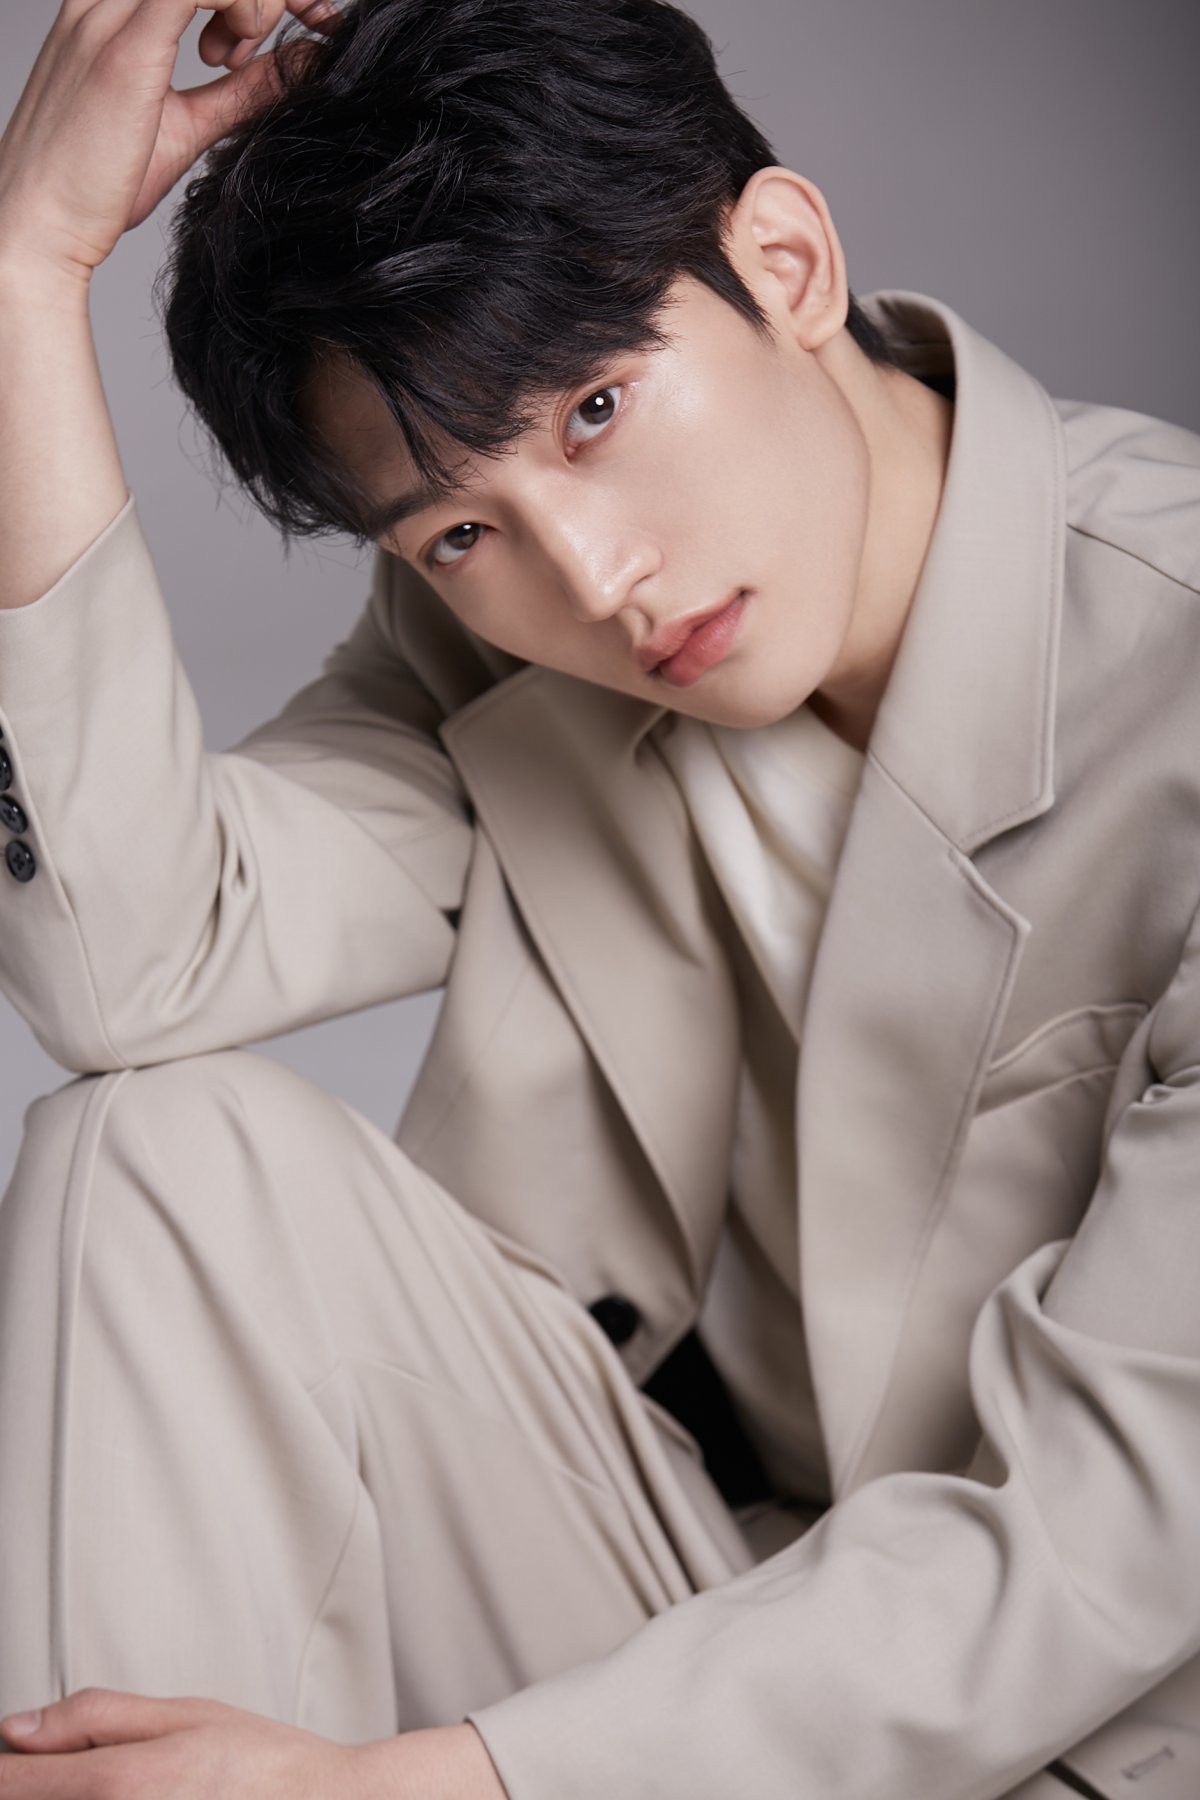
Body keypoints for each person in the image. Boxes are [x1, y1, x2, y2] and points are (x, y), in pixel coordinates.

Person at [0, 0, 1197, 1794]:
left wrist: (415, 1790)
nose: (597, 576)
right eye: (457, 530)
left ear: (786, 263)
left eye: (598, 410)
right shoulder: (510, 646)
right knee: (149, 1153)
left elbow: (1108, 1533)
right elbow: (132, 961)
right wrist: (22, 277)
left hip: (1109, 1713)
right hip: (704, 1616)